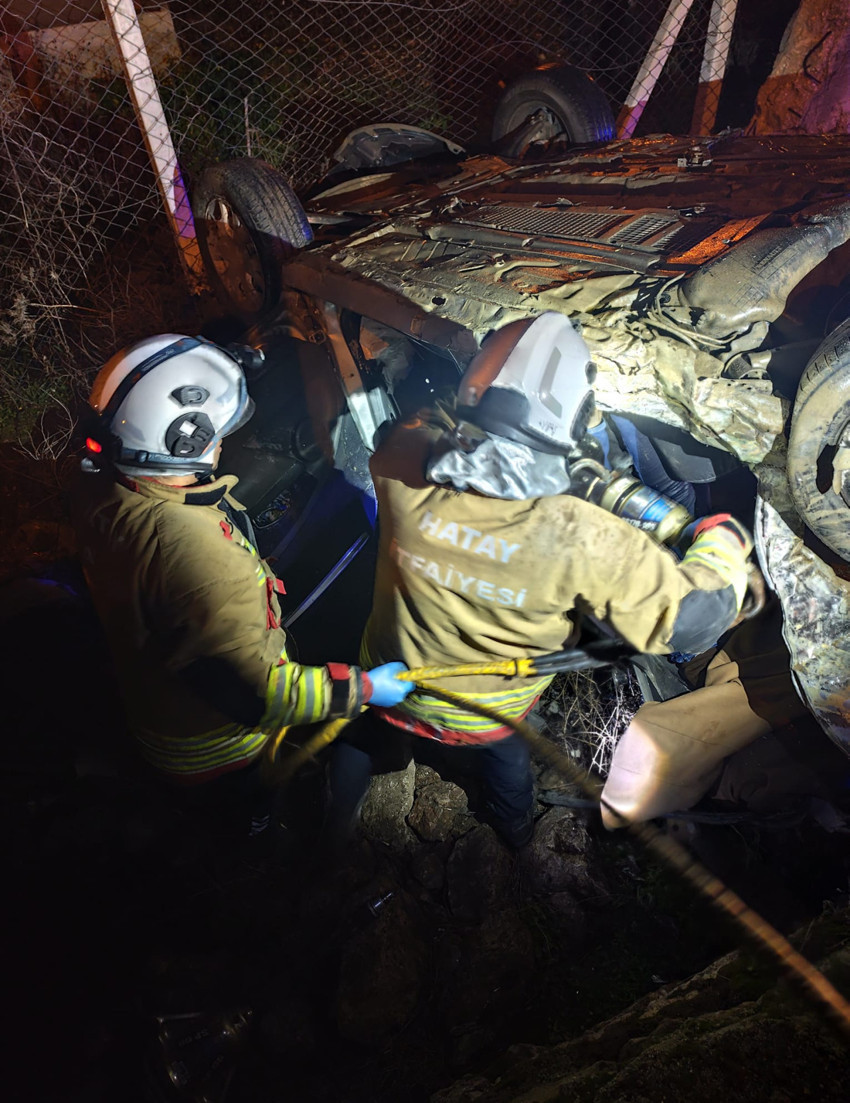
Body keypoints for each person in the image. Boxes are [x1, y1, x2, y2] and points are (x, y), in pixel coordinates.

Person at [325, 311, 754, 849]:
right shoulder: (582, 536)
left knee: (360, 738)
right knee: (507, 761)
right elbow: (694, 622)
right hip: (487, 713)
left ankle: (332, 833)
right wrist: (721, 539)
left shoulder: (399, 466)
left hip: (388, 680)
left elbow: (419, 428)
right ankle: (515, 840)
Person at [71, 333, 412, 839]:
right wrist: (362, 688)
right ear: (184, 439)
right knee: (247, 804)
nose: (223, 440)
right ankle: (254, 836)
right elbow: (263, 695)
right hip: (215, 747)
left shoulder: (101, 486)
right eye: (217, 432)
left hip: (155, 708)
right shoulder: (201, 560)